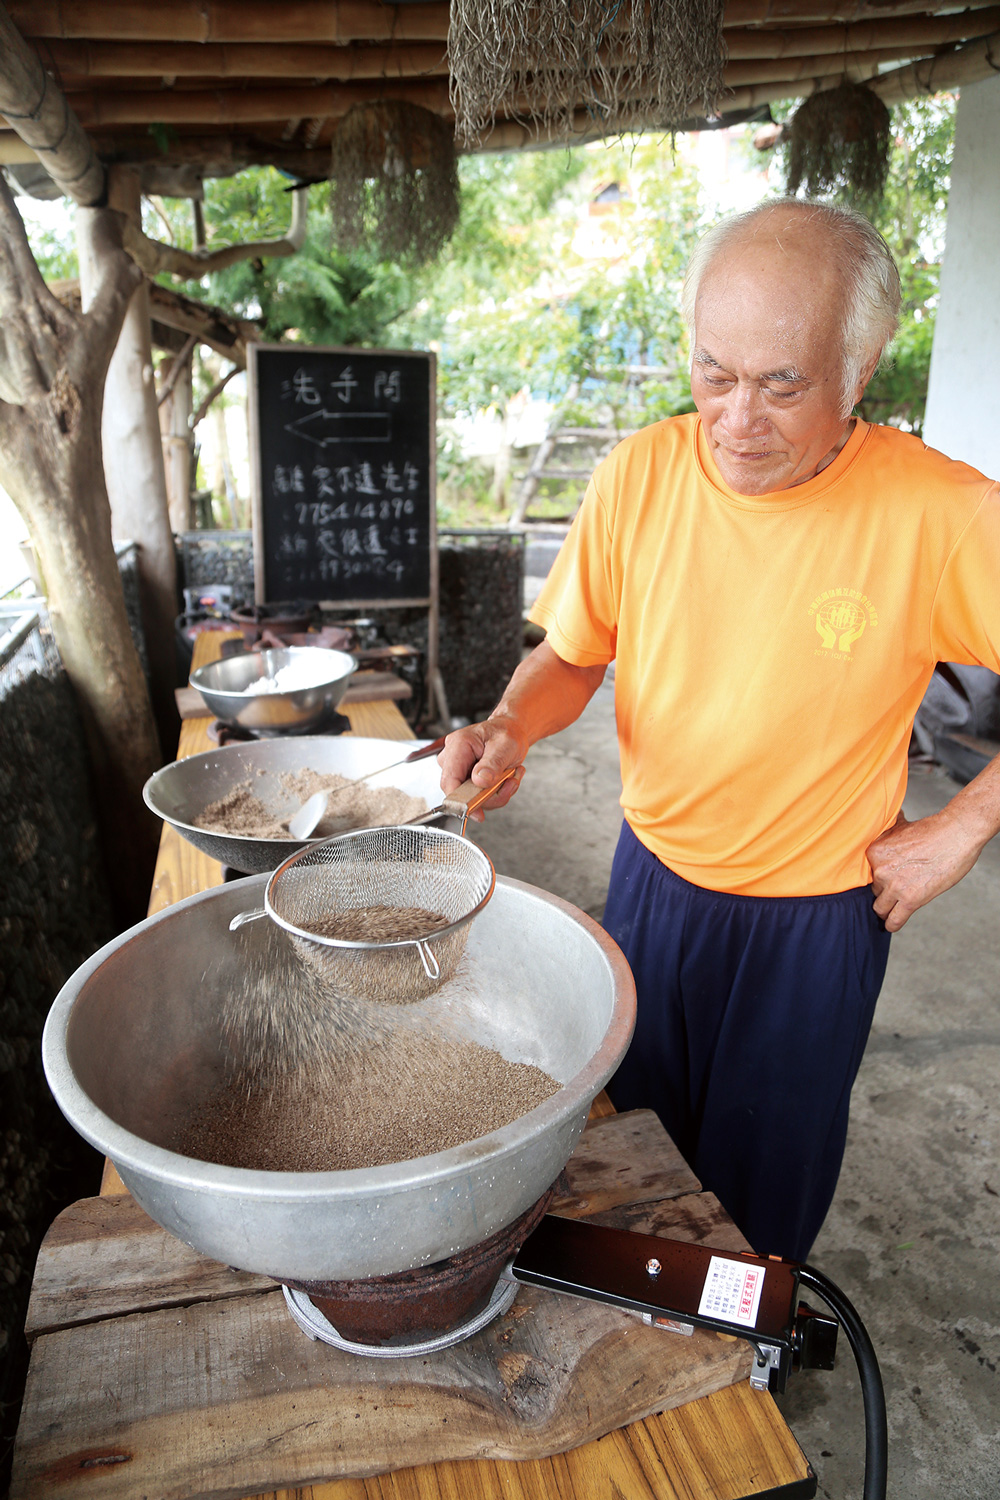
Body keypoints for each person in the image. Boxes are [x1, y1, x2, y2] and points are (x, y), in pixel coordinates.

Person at [438, 198, 1000, 1263]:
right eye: (714, 375)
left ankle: (746, 1373)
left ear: (859, 365)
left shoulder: (940, 512)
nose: (738, 420)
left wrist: (962, 825)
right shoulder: (640, 475)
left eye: (782, 385)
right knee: (625, 1157)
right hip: (651, 885)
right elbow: (573, 654)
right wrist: (512, 725)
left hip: (816, 922)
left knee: (757, 1197)